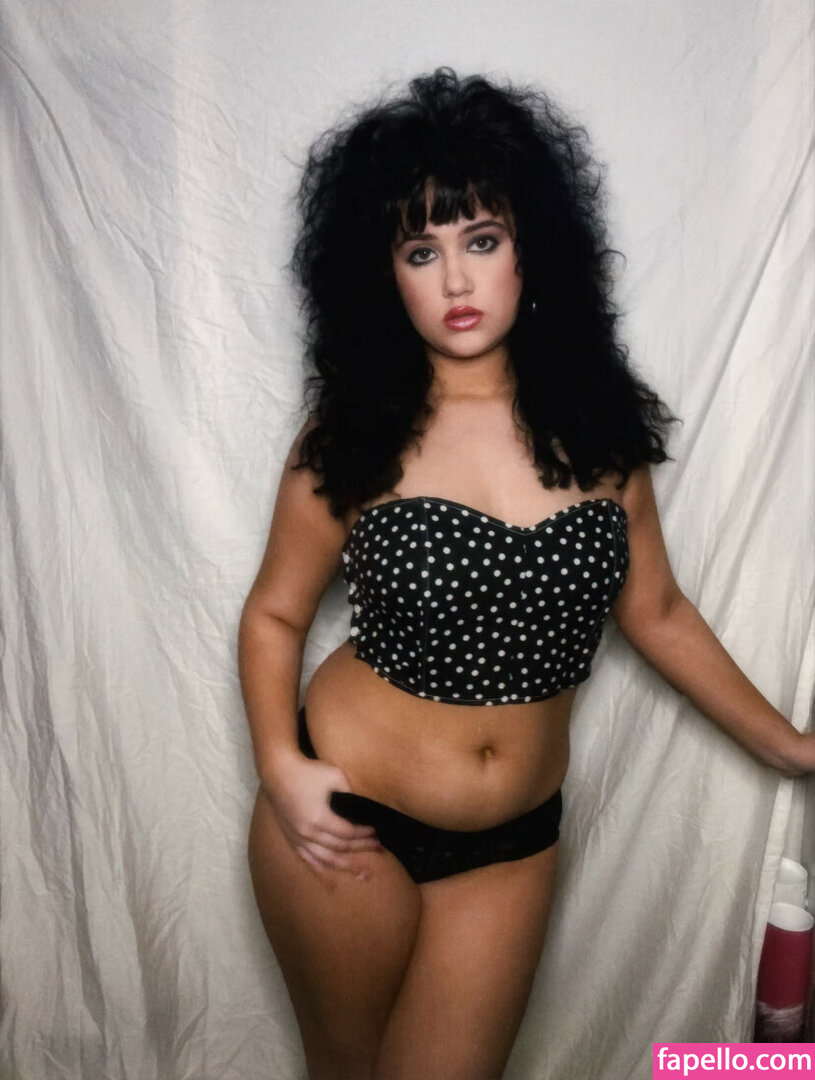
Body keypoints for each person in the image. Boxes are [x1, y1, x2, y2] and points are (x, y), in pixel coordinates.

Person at [239, 68, 815, 1080]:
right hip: (347, 821)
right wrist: (282, 769)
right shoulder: (352, 436)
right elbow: (275, 615)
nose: (455, 282)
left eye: (481, 240)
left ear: (530, 247)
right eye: (421, 251)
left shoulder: (597, 429)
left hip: (512, 844)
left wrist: (794, 749)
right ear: (383, 276)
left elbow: (657, 611)